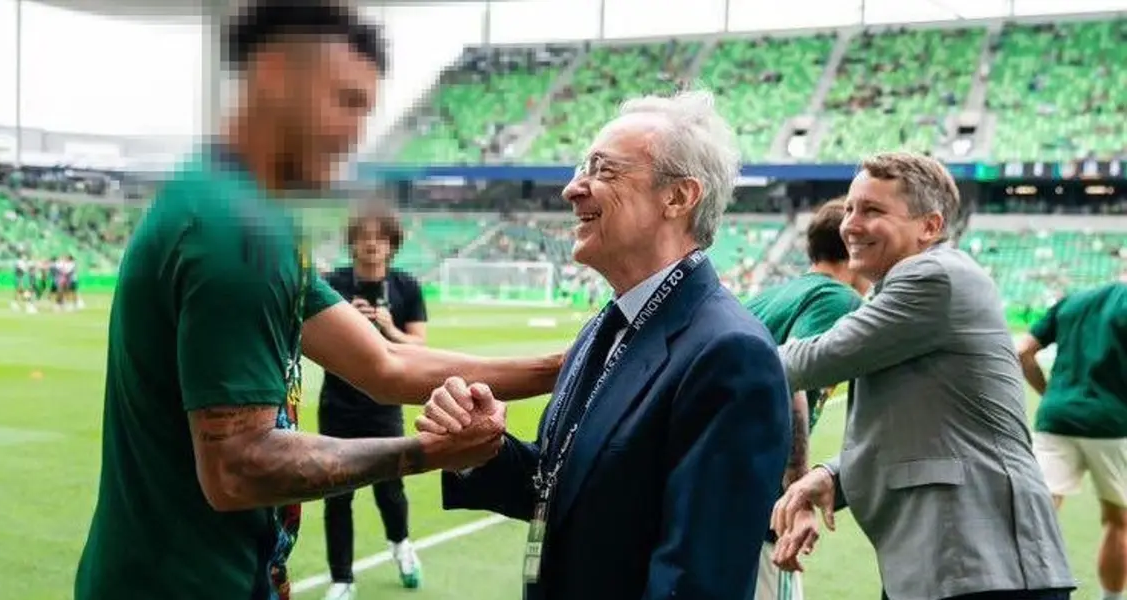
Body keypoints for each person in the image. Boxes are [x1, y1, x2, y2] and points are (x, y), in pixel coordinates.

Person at [73, 4, 563, 600]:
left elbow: (386, 366)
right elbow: (236, 468)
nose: (355, 132)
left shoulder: (244, 213)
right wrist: (429, 451)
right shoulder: (233, 230)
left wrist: (564, 366)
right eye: (346, 101)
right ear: (277, 76)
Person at [418, 90, 792, 600]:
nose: (572, 189)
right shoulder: (609, 325)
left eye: (604, 170)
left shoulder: (730, 355)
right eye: (582, 168)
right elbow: (561, 486)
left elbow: (695, 583)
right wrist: (479, 450)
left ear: (678, 197)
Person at [769, 152, 1074, 600]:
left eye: (872, 210)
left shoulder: (934, 278)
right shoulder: (909, 285)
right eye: (850, 208)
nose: (850, 225)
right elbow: (918, 423)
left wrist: (711, 348)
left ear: (929, 226)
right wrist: (831, 474)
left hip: (982, 563)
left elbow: (814, 359)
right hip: (948, 565)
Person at [743, 198, 868, 600]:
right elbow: (789, 373)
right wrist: (796, 497)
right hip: (755, 493)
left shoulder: (772, 298)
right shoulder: (837, 298)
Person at [319, 208, 428, 600]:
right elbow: (313, 336)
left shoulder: (406, 287)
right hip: (337, 404)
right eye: (363, 236)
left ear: (391, 245)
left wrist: (387, 329)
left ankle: (401, 544)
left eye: (380, 237)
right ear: (351, 242)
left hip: (383, 405)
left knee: (389, 487)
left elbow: (419, 345)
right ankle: (342, 579)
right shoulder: (331, 284)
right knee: (336, 493)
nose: (370, 244)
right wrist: (345, 321)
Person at [1018, 278, 1127, 600]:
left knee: (1038, 513)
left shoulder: (1074, 300)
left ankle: (1024, 592)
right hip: (1113, 424)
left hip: (1056, 417)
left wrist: (1050, 394)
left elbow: (1022, 350)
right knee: (1118, 521)